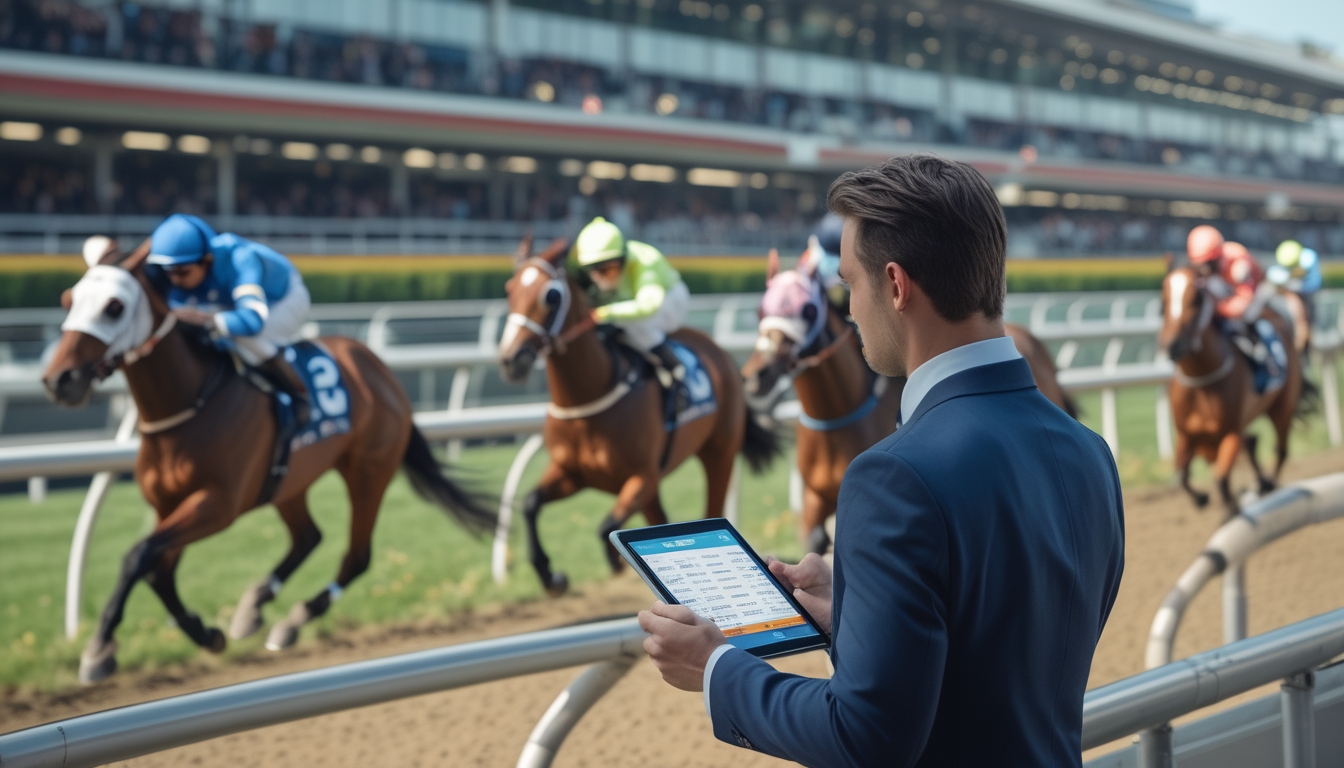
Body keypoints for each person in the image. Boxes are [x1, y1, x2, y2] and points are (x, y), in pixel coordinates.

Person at [638, 154, 1125, 766]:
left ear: (895, 285)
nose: (848, 310)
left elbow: (865, 737)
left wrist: (714, 668)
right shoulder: (1090, 452)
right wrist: (858, 612)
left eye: (850, 285)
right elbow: (1001, 661)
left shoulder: (892, 476)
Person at [147, 213, 313, 422]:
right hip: (231, 303)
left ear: (206, 261)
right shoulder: (185, 269)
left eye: (182, 272)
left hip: (284, 299)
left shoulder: (240, 259)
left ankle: (298, 394)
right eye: (168, 272)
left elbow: (252, 322)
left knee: (243, 337)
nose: (174, 280)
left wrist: (207, 321)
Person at [570, 216, 689, 388]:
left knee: (626, 320)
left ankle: (673, 367)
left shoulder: (643, 262)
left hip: (672, 300)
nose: (600, 278)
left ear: (622, 259)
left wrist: (604, 313)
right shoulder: (607, 264)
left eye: (606, 270)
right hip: (637, 301)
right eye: (594, 271)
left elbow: (649, 305)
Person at [1187, 225, 1283, 383]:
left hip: (1257, 290)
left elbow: (1242, 305)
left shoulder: (1238, 265)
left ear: (1217, 257)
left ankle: (1265, 356)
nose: (1204, 269)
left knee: (1247, 317)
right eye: (1200, 264)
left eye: (1208, 263)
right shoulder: (1209, 266)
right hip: (1229, 291)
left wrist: (1217, 308)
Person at [1269, 239, 1322, 323]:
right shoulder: (1278, 271)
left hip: (1306, 297)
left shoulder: (1309, 260)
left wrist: (1300, 286)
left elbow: (1315, 284)